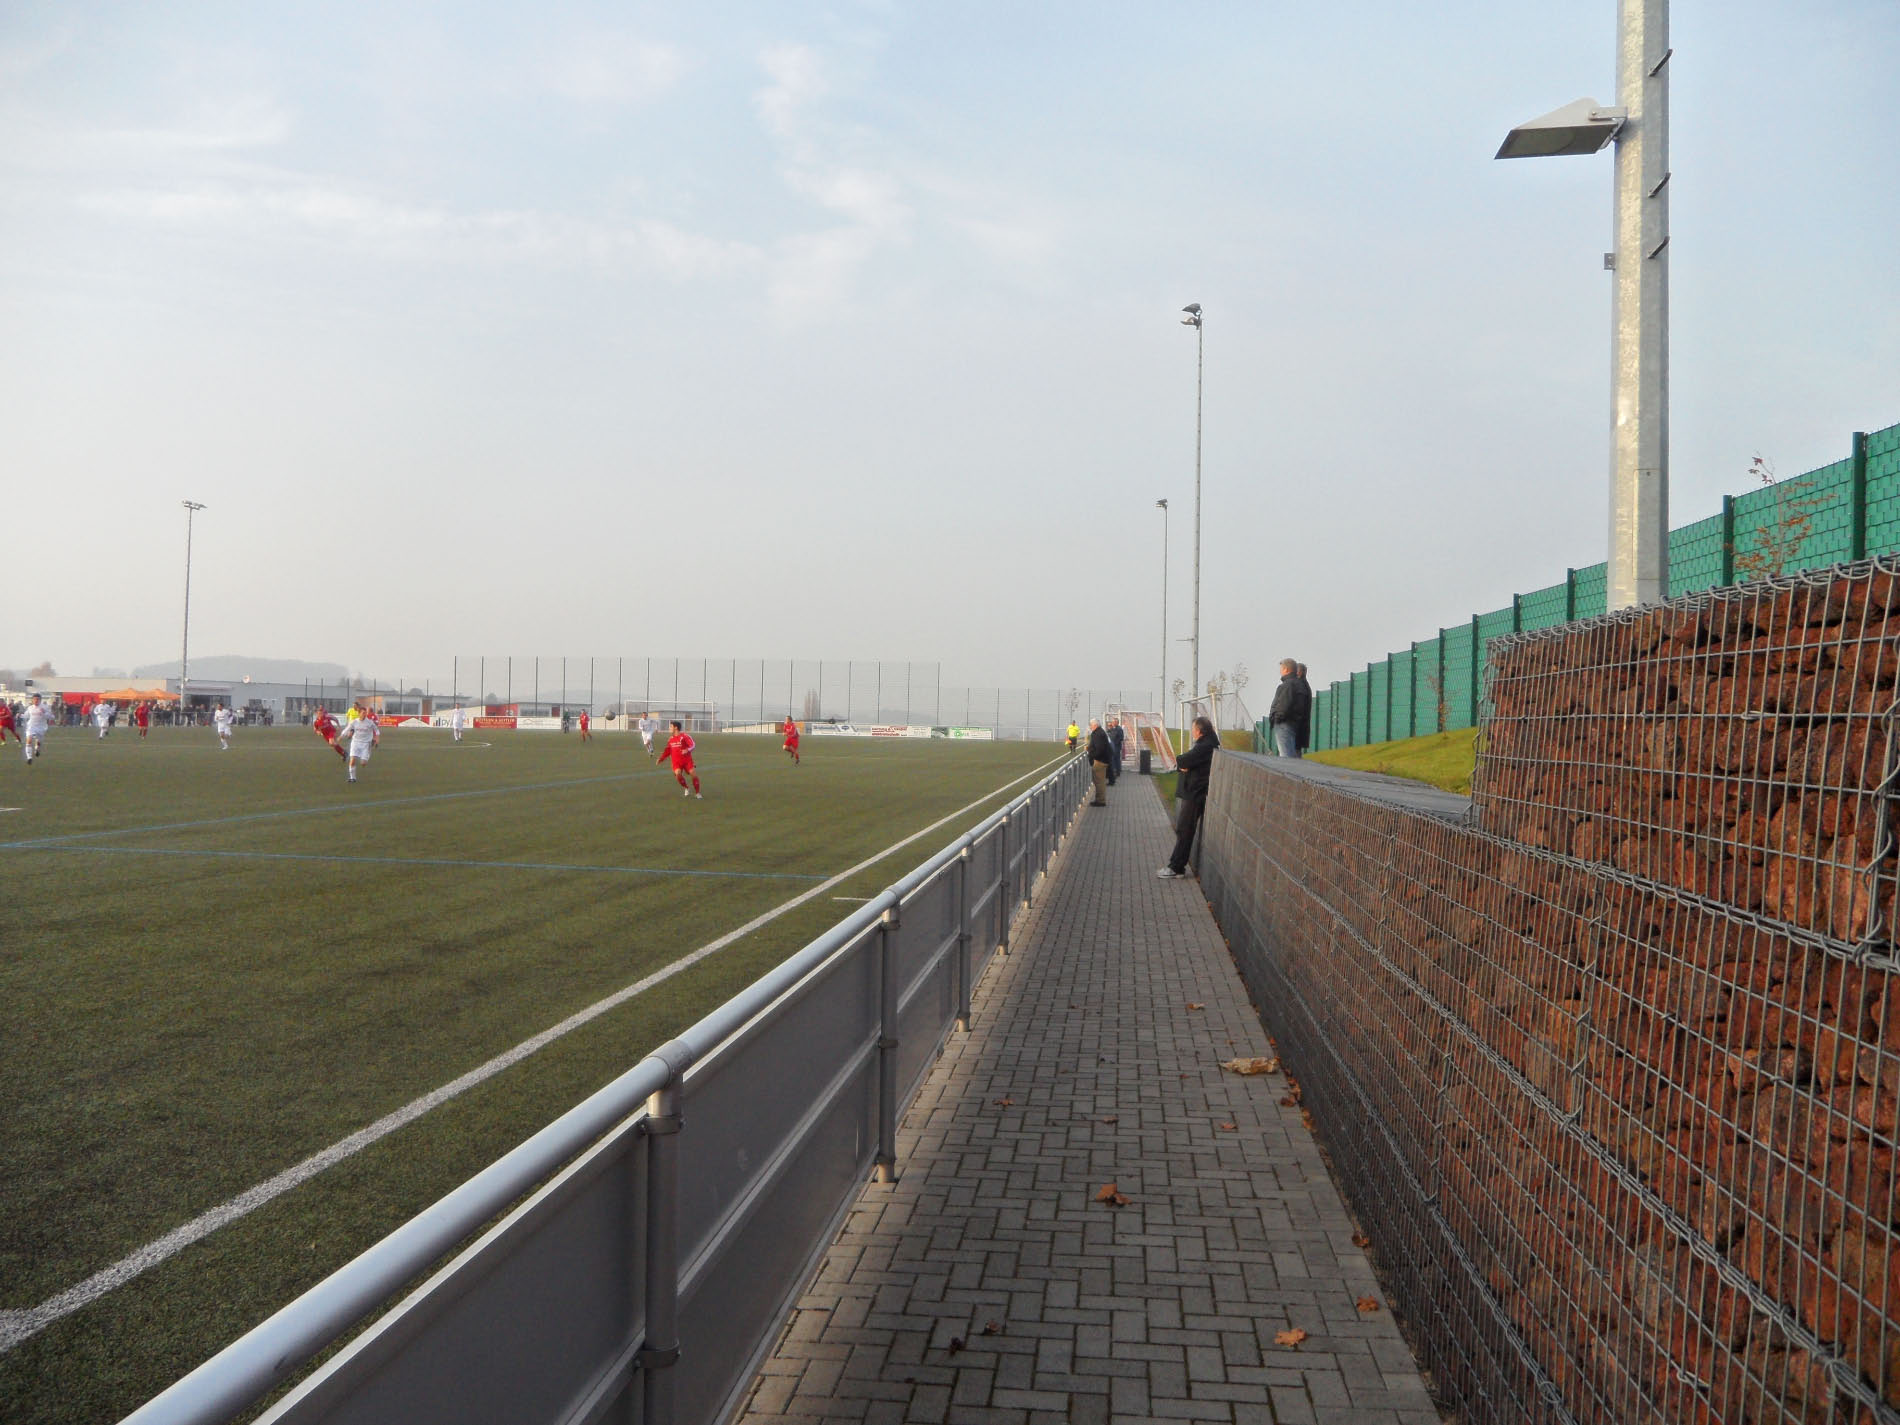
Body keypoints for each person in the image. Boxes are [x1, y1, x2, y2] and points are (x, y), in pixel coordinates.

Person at [1158, 717, 1220, 879]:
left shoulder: (1205, 746)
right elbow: (1185, 762)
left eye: (1193, 729)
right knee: (1183, 829)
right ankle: (1177, 865)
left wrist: (1183, 764)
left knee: (1185, 830)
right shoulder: (1207, 743)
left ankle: (1176, 867)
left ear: (1200, 731)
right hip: (1194, 792)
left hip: (1195, 794)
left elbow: (1183, 760)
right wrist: (1183, 765)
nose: (1192, 732)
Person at [1266, 659, 1308, 759]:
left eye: (1281, 668)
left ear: (1286, 669)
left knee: (1286, 756)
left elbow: (1284, 704)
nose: (1280, 671)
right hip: (1294, 723)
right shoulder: (1300, 685)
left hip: (1284, 724)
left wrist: (1276, 718)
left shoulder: (1288, 685)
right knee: (1292, 756)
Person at [663, 720, 701, 798]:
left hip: (687, 760)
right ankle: (686, 788)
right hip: (676, 762)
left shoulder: (684, 736)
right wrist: (661, 759)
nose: (669, 728)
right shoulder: (670, 739)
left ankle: (697, 793)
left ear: (676, 728)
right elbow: (668, 750)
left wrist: (687, 750)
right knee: (678, 774)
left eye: (671, 726)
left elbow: (693, 745)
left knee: (693, 774)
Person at [343, 703, 379, 783]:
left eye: (365, 713)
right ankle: (352, 778)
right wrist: (341, 736)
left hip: (366, 743)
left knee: (363, 763)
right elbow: (347, 729)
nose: (365, 714)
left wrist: (377, 739)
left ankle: (367, 754)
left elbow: (376, 730)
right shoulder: (354, 721)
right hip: (355, 742)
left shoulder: (369, 722)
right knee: (352, 760)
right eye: (363, 713)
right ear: (359, 713)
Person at [1086, 718, 1112, 805]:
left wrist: (1092, 756)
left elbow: (1099, 749)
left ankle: (1100, 801)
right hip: (1102, 759)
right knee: (1099, 781)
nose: (1090, 727)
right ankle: (1099, 799)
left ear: (1095, 725)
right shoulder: (1100, 732)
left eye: (1091, 725)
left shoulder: (1097, 734)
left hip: (1100, 761)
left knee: (1099, 782)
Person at [21, 693, 50, 764]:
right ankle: (29, 758)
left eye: (37, 699)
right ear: (32, 700)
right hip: (31, 726)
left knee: (38, 742)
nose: (36, 700)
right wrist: (20, 715)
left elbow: (51, 717)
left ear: (40, 700)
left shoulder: (45, 707)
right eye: (34, 699)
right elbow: (26, 715)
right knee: (29, 740)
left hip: (41, 727)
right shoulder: (30, 708)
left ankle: (37, 749)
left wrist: (44, 713)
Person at [1294, 663, 1314, 754]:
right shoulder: (1305, 685)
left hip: (1297, 726)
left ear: (1299, 672)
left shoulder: (1299, 685)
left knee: (1290, 755)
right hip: (1301, 727)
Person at [1106, 717, 1125, 786]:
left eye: (1114, 722)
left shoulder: (1119, 729)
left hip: (1116, 747)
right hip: (1113, 746)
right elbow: (1110, 735)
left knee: (1115, 759)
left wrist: (1115, 743)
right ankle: (1116, 772)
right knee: (1115, 759)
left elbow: (1121, 738)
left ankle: (1116, 772)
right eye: (1112, 722)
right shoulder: (1113, 729)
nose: (1112, 723)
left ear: (1117, 722)